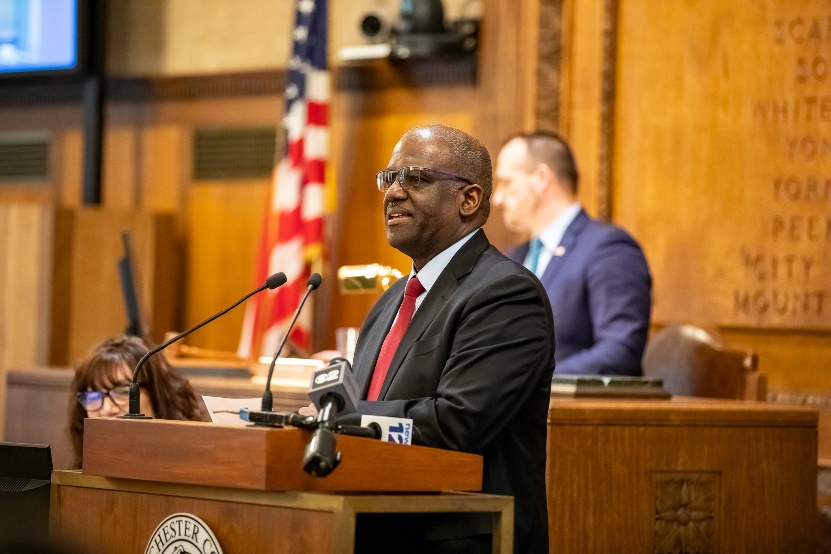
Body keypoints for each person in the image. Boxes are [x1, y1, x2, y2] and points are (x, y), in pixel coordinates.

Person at [306, 125, 555, 553]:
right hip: (370, 528)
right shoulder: (389, 303)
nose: (393, 193)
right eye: (389, 179)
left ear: (469, 199)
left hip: (459, 539)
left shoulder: (506, 294)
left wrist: (340, 418)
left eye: (416, 178)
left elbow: (457, 422)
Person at [493, 131, 652, 376]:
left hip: (570, 411)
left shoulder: (608, 249)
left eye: (507, 183)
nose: (497, 199)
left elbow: (621, 351)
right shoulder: (513, 257)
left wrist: (531, 383)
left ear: (541, 178)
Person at [68, 335, 208, 468]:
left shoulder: (197, 465)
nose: (107, 409)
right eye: (94, 397)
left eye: (123, 393)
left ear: (157, 396)